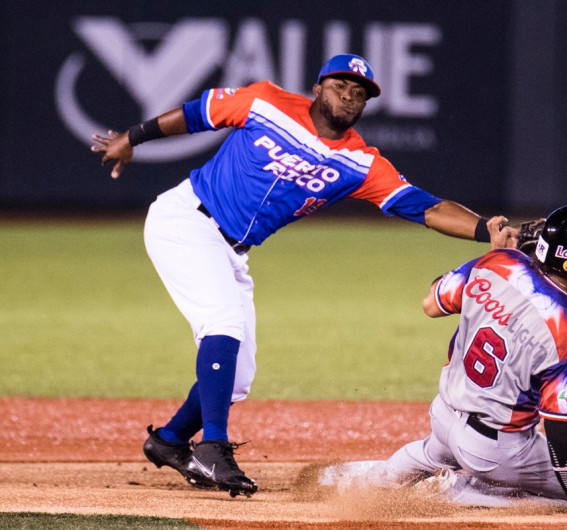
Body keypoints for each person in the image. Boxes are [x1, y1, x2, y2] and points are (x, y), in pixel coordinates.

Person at [90, 54, 517, 498]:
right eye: (340, 86)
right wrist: (133, 138)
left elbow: (425, 207)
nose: (348, 96)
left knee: (238, 377)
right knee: (223, 325)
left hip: (232, 250)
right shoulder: (266, 103)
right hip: (187, 219)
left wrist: (486, 227)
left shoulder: (360, 162)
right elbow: (199, 114)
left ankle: (170, 441)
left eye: (359, 94)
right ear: (317, 88)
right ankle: (212, 447)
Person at [320, 204, 567, 516]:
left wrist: (487, 258)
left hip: (443, 416)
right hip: (494, 450)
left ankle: (381, 477)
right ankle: (461, 491)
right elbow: (559, 424)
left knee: (434, 453)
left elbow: (431, 303)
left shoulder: (499, 262)